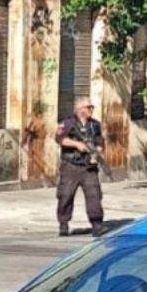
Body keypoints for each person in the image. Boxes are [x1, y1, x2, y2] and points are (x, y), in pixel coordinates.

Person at [54, 99, 105, 237]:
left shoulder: (94, 125)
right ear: (80, 109)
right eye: (89, 107)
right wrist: (77, 144)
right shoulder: (68, 123)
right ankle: (63, 224)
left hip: (89, 166)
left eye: (91, 107)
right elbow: (60, 139)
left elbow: (100, 141)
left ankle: (97, 224)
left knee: (94, 194)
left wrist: (97, 151)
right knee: (66, 195)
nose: (91, 109)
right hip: (71, 165)